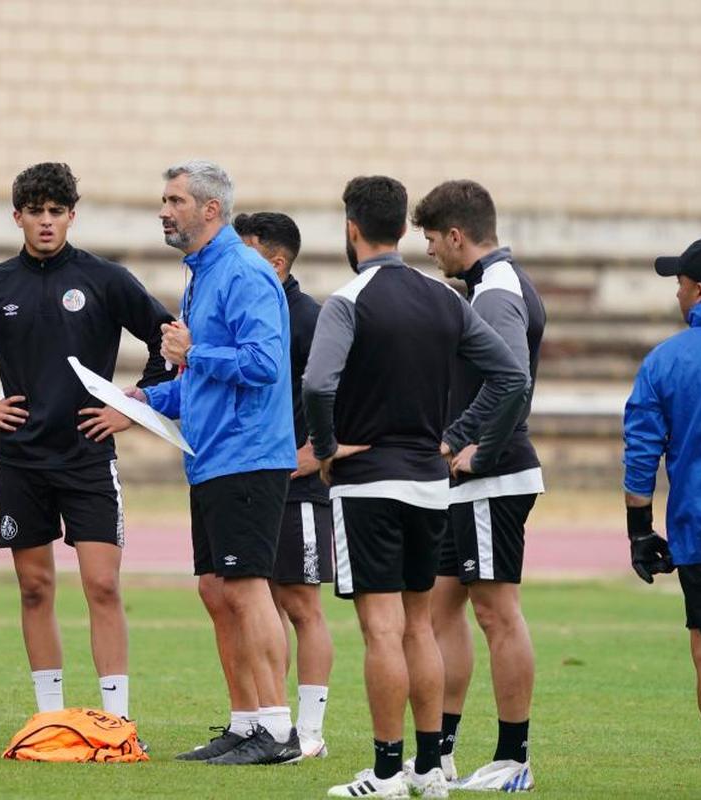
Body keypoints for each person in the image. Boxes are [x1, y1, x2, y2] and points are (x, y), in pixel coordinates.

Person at [302, 175, 529, 798]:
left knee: (380, 630)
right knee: (418, 626)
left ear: (351, 229)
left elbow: (319, 385)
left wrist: (325, 450)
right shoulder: (447, 299)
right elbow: (511, 377)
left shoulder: (348, 300)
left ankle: (384, 772)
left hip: (369, 483)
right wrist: (453, 437)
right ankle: (430, 770)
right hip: (431, 485)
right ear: (403, 228)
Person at [0, 162, 172, 726]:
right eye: (35, 212)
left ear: (71, 216)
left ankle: (117, 722)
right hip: (22, 461)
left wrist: (131, 409)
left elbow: (167, 341)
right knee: (36, 588)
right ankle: (50, 718)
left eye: (56, 212)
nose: (45, 222)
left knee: (102, 586)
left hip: (88, 458)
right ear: (17, 217)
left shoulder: (106, 279)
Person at [134, 160, 302, 766]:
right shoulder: (201, 277)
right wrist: (143, 398)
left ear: (210, 210)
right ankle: (245, 721)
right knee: (215, 588)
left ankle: (279, 732)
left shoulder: (245, 273)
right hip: (209, 458)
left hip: (248, 455)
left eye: (175, 199)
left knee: (248, 588)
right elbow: (197, 381)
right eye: (164, 198)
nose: (164, 209)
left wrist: (193, 350)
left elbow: (263, 365)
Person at [411, 180, 546, 791]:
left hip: (490, 477)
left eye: (434, 239)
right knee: (440, 614)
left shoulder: (496, 292)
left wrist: (465, 446)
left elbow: (512, 381)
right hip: (466, 481)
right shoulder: (488, 286)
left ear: (458, 236)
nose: (432, 250)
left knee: (496, 613)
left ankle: (515, 759)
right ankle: (438, 753)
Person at [233, 211, 338, 759]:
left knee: (301, 604)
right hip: (254, 478)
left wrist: (317, 450)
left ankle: (312, 731)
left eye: (246, 252)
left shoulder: (307, 317)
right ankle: (266, 720)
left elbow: (341, 386)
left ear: (276, 262)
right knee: (261, 600)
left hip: (297, 484)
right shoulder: (253, 311)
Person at [623, 238, 701, 732]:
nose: (676, 294)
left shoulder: (666, 361)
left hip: (699, 528)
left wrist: (639, 529)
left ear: (699, 291)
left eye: (679, 284)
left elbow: (641, 452)